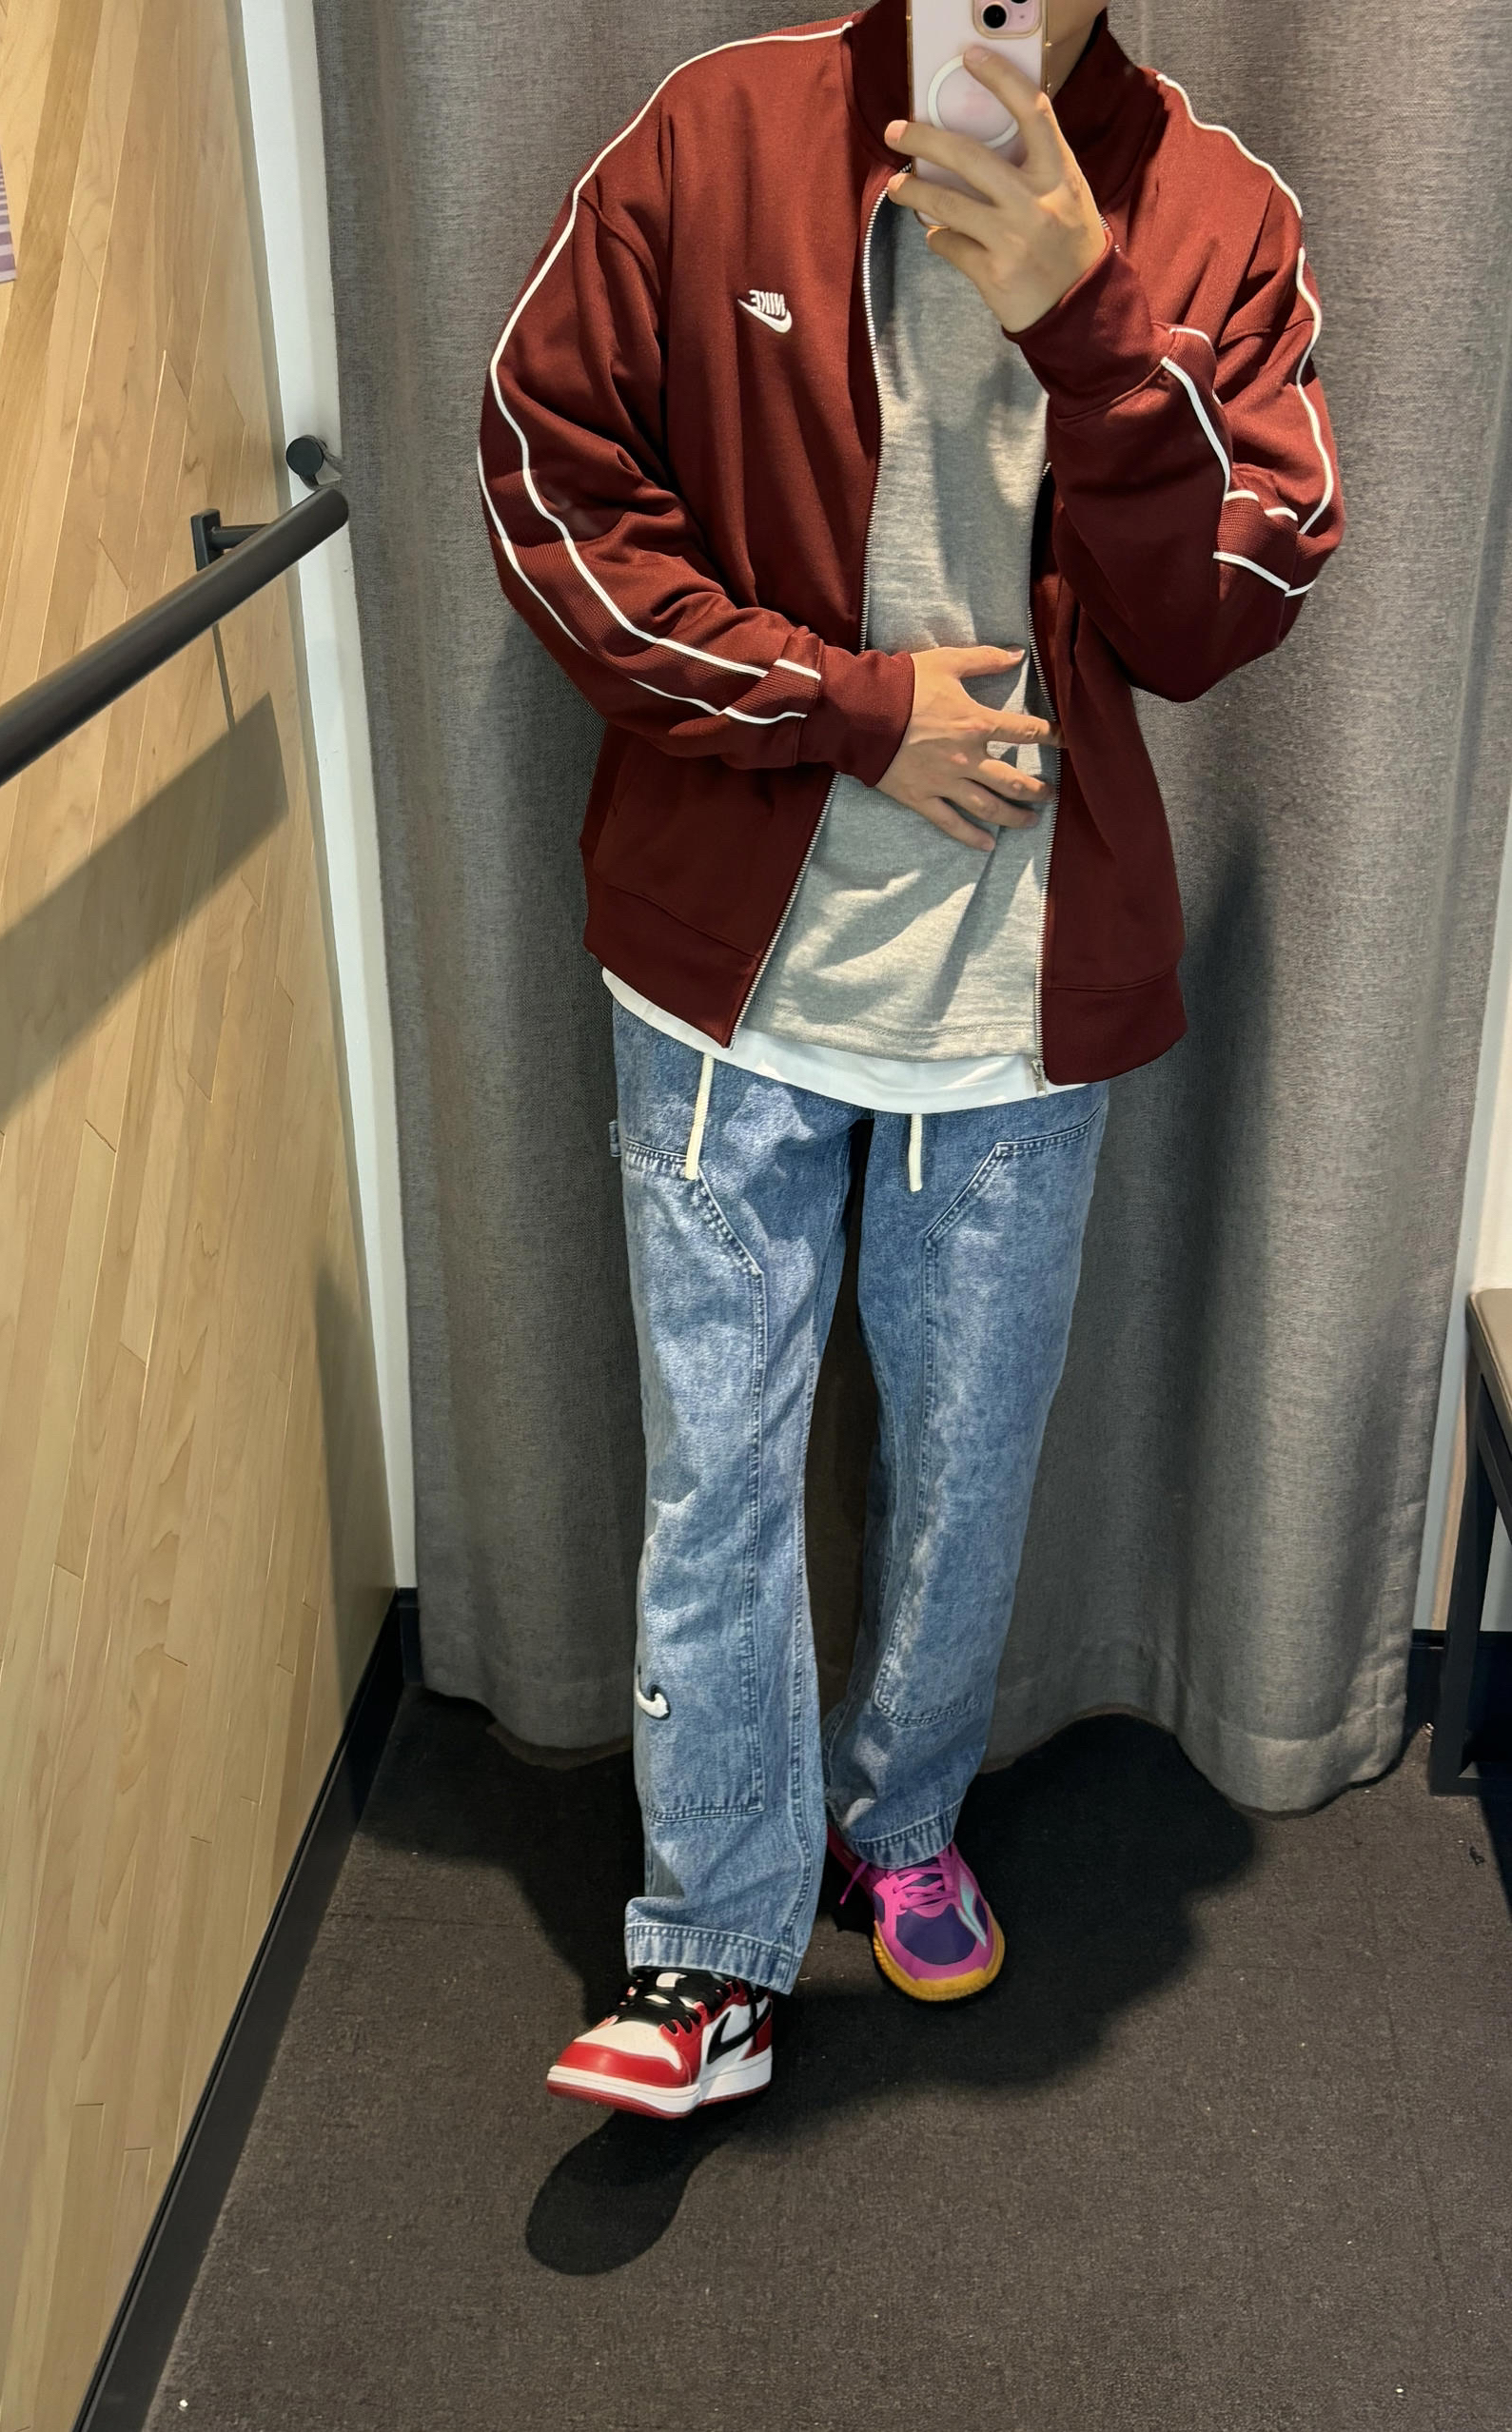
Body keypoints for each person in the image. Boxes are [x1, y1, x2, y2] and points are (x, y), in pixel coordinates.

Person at [479, 1, 1343, 2119]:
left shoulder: (1214, 213)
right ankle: (706, 1944)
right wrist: (849, 711)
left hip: (1020, 980)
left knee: (965, 1460)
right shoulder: (715, 136)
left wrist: (1087, 324)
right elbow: (549, 487)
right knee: (716, 1464)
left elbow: (1227, 607)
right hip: (722, 964)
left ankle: (904, 1824)